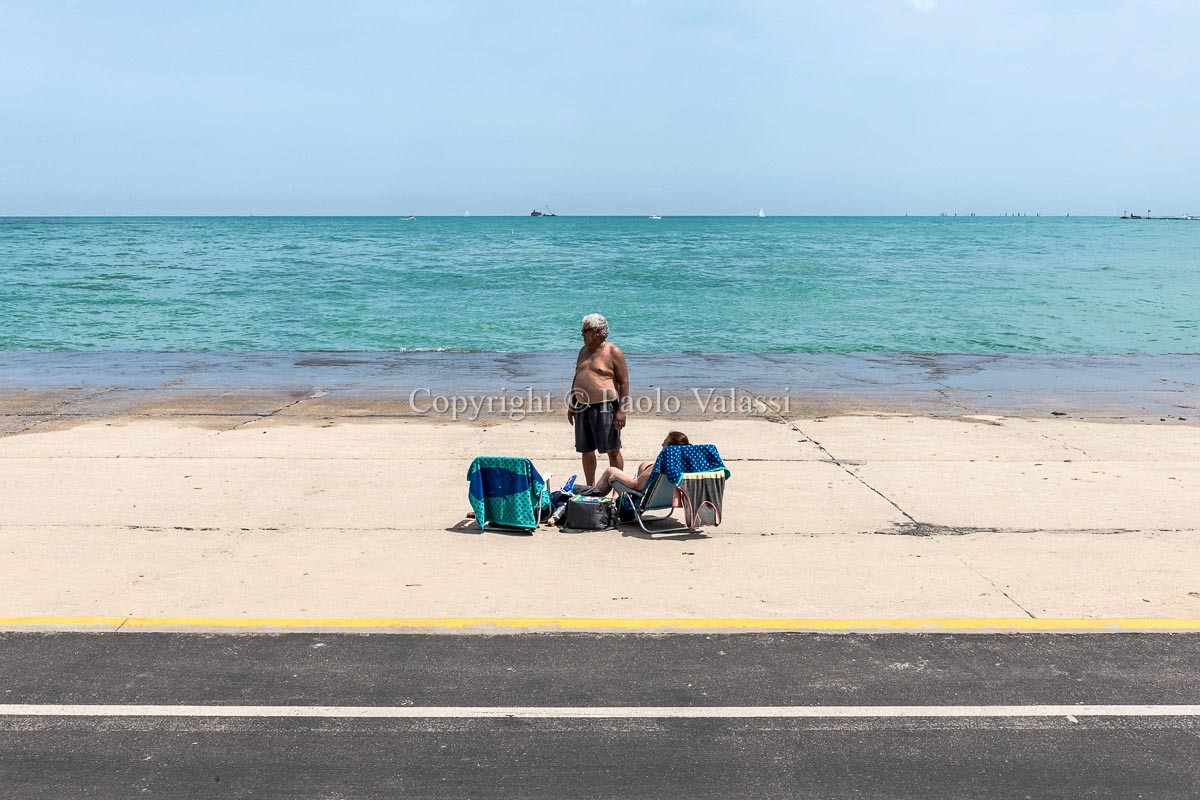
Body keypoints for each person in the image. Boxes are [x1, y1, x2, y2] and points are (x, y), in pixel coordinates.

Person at [567, 313, 629, 485]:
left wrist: (621, 411)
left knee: (612, 450)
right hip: (582, 406)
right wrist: (572, 404)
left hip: (605, 407)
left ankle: (618, 489)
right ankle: (590, 487)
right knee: (586, 450)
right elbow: (577, 377)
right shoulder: (583, 351)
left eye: (585, 331)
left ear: (598, 332)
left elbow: (623, 383)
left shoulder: (613, 351)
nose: (582, 334)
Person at [588, 431, 689, 496]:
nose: (662, 444)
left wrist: (616, 477)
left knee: (610, 471)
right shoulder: (685, 465)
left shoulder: (660, 465)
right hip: (666, 497)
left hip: (641, 496)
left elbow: (637, 485)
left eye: (665, 443)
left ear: (670, 448)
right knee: (644, 464)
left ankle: (592, 498)